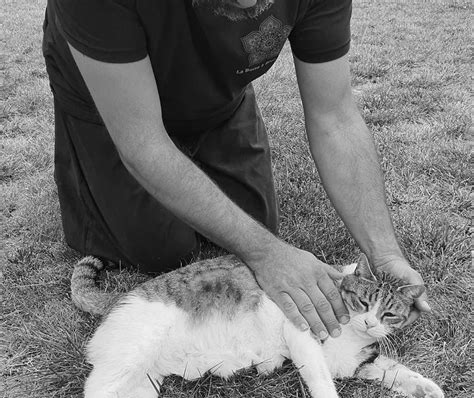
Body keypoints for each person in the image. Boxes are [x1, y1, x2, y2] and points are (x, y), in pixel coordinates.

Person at [42, 0, 431, 341]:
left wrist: (384, 254)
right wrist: (267, 254)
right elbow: (143, 145)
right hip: (107, 92)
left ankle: (207, 125)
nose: (250, 5)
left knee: (253, 224)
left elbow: (336, 118)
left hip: (215, 91)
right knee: (162, 251)